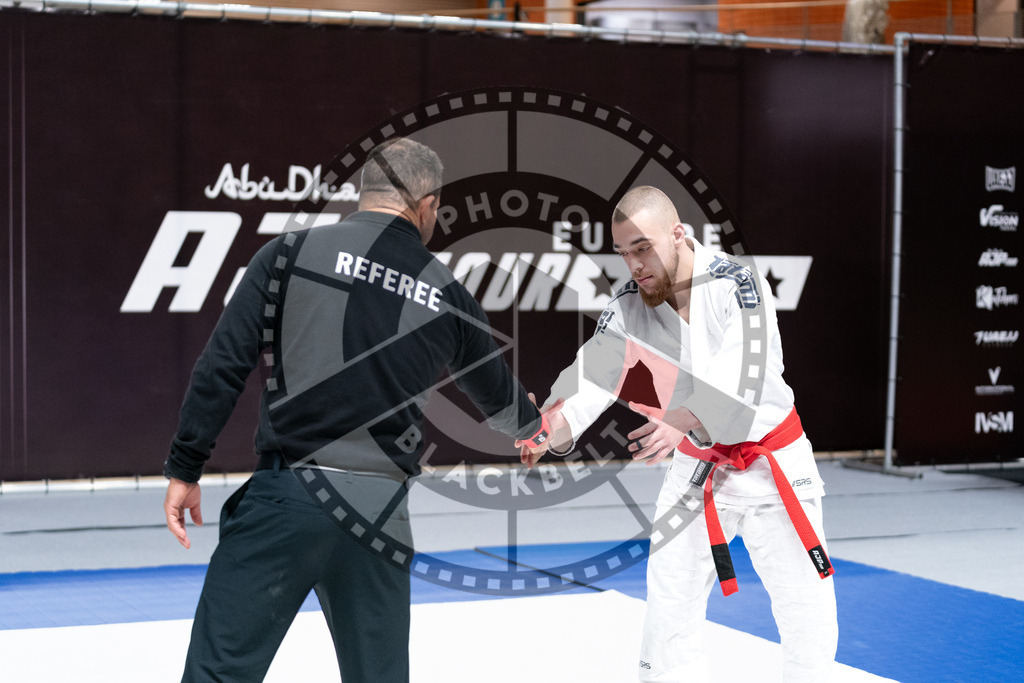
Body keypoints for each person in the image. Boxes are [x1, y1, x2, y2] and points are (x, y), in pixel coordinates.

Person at [162, 137, 551, 683]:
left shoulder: (287, 255)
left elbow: (221, 367)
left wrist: (185, 466)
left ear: (365, 192)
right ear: (427, 203)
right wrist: (535, 428)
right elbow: (495, 397)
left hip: (287, 499)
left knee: (219, 674)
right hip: (380, 515)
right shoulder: (448, 292)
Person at [520, 186, 838, 682]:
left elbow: (747, 376)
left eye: (643, 248)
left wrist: (677, 419)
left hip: (773, 463)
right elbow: (594, 373)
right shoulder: (629, 305)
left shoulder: (739, 283)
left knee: (805, 610)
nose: (634, 265)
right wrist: (549, 427)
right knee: (669, 608)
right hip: (698, 464)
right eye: (624, 254)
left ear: (678, 234)